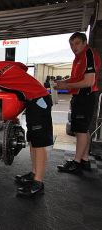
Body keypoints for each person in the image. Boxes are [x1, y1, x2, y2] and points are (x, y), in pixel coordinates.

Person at [0, 58, 53, 197]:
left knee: (39, 143)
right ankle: (34, 174)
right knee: (33, 140)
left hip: (38, 99)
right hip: (33, 100)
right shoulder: (0, 66)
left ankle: (38, 183)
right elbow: (22, 67)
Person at [55, 32, 101, 173]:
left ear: (85, 42)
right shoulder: (80, 57)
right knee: (84, 130)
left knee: (80, 131)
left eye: (77, 43)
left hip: (85, 96)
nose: (73, 47)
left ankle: (76, 162)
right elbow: (77, 78)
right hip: (82, 96)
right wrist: (63, 82)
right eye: (71, 44)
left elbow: (89, 81)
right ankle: (84, 160)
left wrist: (66, 86)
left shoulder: (88, 55)